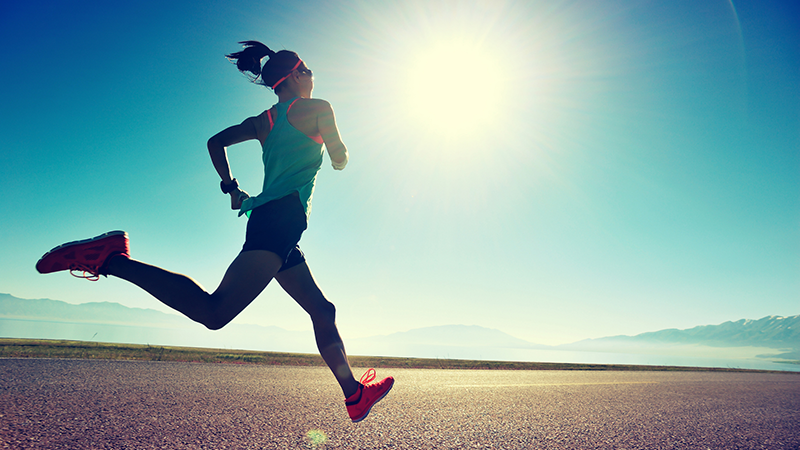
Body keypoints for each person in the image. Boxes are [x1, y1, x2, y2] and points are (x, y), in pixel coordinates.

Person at [35, 41, 393, 423]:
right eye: (308, 71)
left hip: (276, 222)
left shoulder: (265, 121)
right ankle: (110, 260)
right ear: (296, 76)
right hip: (280, 220)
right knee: (214, 311)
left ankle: (354, 395)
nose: (313, 77)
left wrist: (231, 187)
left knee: (322, 309)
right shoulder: (319, 109)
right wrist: (334, 150)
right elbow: (340, 159)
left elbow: (215, 142)